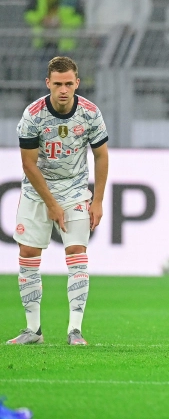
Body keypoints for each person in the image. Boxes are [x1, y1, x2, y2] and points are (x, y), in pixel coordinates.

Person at [7, 56, 109, 346]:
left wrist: (98, 200)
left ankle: (75, 330)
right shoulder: (33, 115)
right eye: (57, 84)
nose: (63, 90)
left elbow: (101, 156)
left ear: (77, 83)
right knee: (28, 254)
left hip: (75, 190)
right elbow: (29, 165)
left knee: (77, 253)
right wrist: (51, 203)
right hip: (37, 191)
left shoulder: (90, 113)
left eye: (68, 84)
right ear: (47, 84)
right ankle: (33, 330)